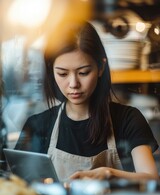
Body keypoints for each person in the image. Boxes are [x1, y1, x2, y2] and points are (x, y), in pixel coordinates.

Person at [15, 21, 159, 182]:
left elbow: (151, 178)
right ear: (52, 71)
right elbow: (20, 186)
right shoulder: (38, 125)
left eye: (83, 72)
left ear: (101, 68)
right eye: (62, 74)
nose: (73, 84)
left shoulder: (128, 119)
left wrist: (108, 173)